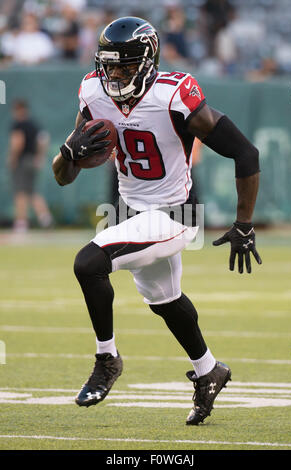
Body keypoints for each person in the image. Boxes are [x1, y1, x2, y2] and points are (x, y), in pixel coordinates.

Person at [52, 17, 262, 425]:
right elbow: (63, 175)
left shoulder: (174, 94)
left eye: (125, 66)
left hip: (174, 213)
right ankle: (209, 371)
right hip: (128, 211)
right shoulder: (92, 91)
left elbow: (246, 153)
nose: (114, 74)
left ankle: (106, 358)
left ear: (147, 63)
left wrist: (244, 223)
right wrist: (67, 151)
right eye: (109, 65)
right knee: (166, 302)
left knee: (88, 263)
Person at [8, 99, 53, 232]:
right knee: (32, 192)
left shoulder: (19, 124)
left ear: (18, 110)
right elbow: (44, 140)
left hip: (23, 161)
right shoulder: (34, 125)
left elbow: (18, 142)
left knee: (20, 192)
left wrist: (13, 158)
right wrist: (39, 157)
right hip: (32, 161)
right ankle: (46, 219)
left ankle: (21, 223)